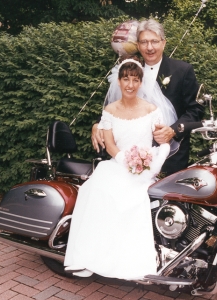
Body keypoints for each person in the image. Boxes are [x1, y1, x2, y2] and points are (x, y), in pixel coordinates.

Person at [64, 58, 169, 279]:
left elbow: (162, 141)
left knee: (134, 199)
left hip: (144, 170)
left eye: (135, 79)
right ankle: (88, 258)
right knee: (93, 191)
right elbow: (110, 145)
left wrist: (153, 163)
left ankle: (128, 263)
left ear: (141, 82)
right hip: (117, 165)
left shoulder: (152, 110)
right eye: (125, 79)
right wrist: (127, 162)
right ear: (118, 82)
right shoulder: (110, 111)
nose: (130, 84)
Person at [92, 19, 204, 176]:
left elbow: (196, 110)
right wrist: (97, 124)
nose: (149, 47)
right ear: (138, 45)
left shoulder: (182, 70)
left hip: (170, 156)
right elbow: (117, 105)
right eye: (144, 42)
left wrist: (173, 130)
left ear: (163, 43)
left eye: (154, 42)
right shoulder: (131, 70)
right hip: (129, 157)